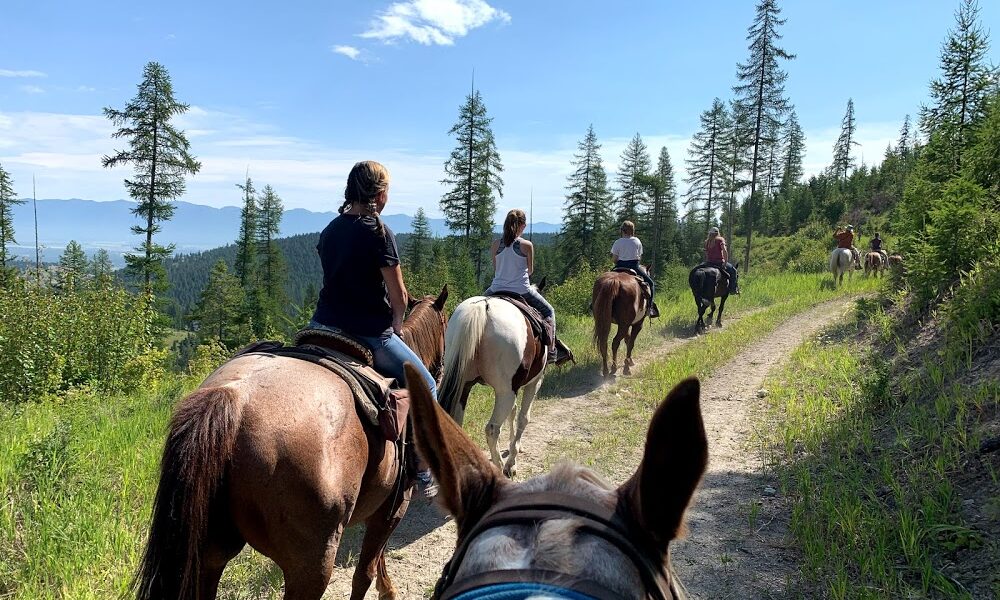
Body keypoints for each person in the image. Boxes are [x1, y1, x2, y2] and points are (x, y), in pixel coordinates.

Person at [310, 160, 438, 496]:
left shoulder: (330, 230)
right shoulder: (379, 233)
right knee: (428, 387)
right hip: (368, 333)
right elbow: (399, 296)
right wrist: (396, 323)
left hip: (321, 325)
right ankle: (424, 470)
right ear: (380, 195)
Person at [486, 209, 571, 364]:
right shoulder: (526, 245)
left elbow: (496, 268)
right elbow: (530, 271)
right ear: (523, 226)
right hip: (521, 290)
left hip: (495, 289)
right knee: (549, 311)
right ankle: (552, 351)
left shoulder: (495, 245)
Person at [611, 221, 660, 317]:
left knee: (604, 280)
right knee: (651, 283)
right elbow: (639, 257)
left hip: (619, 266)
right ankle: (650, 308)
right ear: (632, 231)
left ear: (622, 231)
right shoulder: (637, 241)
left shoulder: (617, 242)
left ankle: (594, 304)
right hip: (634, 266)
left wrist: (619, 263)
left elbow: (614, 259)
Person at [703, 227, 740, 295]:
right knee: (733, 271)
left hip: (709, 263)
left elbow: (706, 253)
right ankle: (733, 289)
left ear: (710, 233)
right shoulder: (720, 239)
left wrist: (707, 261)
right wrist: (725, 262)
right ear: (718, 233)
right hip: (719, 262)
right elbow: (724, 251)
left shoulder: (706, 242)